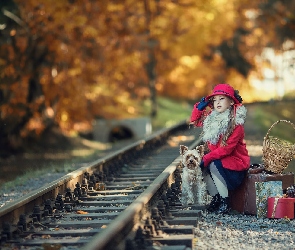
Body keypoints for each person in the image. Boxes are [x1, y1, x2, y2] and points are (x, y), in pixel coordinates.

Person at [190, 83, 250, 214]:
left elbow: (226, 150)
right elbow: (195, 121)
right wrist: (199, 108)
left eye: (222, 99)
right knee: (202, 166)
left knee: (211, 164)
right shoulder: (212, 119)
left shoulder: (236, 123)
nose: (217, 102)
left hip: (235, 169)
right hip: (221, 165)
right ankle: (216, 198)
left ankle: (225, 201)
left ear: (230, 102)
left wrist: (205, 158)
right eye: (215, 100)